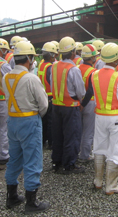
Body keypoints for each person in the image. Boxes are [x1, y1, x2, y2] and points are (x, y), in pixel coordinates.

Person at [3, 41, 50, 214]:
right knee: (33, 160)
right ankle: (31, 202)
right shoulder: (31, 78)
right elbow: (44, 105)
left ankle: (12, 196)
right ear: (29, 58)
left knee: (14, 158)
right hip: (29, 120)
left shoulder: (6, 76)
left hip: (12, 121)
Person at [92, 42, 118, 195]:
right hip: (116, 116)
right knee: (116, 149)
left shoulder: (94, 74)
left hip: (100, 116)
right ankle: (111, 185)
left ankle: (98, 181)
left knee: (99, 146)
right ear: (116, 60)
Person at [51, 36, 86, 174]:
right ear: (73, 52)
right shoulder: (74, 69)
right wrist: (81, 101)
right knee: (72, 135)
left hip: (56, 105)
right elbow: (80, 91)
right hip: (70, 107)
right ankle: (69, 164)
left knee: (58, 135)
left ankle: (57, 162)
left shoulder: (54, 66)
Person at [77, 44, 98, 162]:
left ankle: (77, 152)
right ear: (92, 57)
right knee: (88, 131)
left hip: (78, 103)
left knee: (78, 130)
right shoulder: (93, 71)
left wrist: (80, 104)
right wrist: (83, 104)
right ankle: (85, 155)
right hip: (89, 103)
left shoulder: (76, 68)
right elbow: (90, 90)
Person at [37, 42, 58, 149]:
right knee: (51, 121)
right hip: (50, 96)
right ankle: (51, 142)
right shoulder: (50, 67)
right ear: (52, 55)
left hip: (42, 95)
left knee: (44, 120)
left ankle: (43, 140)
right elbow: (52, 82)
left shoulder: (41, 64)